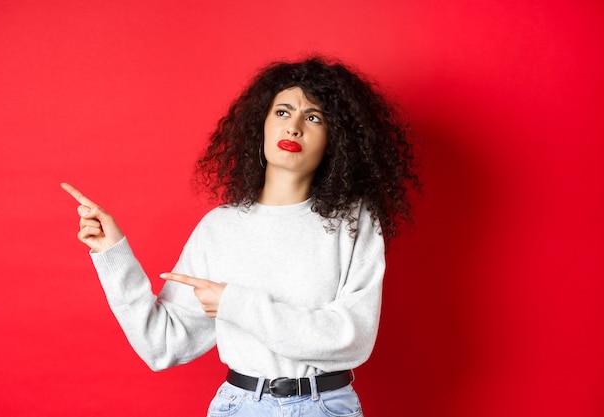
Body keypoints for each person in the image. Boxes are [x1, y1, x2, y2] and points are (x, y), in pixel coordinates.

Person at [62, 55, 419, 417]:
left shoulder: (353, 222)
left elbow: (351, 340)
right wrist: (113, 254)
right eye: (282, 112)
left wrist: (235, 304)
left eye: (313, 117)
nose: (293, 127)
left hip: (326, 406)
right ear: (260, 124)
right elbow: (162, 345)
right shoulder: (220, 228)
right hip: (240, 406)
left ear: (334, 139)